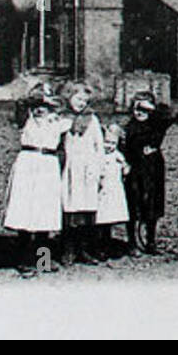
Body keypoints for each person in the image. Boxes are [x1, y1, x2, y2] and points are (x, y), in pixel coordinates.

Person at [3, 87, 70, 272]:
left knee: (45, 213)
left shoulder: (59, 123)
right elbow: (20, 104)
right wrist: (34, 97)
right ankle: (25, 260)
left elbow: (75, 114)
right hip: (28, 163)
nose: (41, 109)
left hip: (48, 165)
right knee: (25, 211)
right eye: (37, 105)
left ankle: (43, 260)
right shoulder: (26, 120)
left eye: (45, 106)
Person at [122, 92, 173, 254]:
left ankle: (151, 240)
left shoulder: (157, 123)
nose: (139, 112)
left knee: (153, 203)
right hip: (136, 168)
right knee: (134, 203)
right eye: (136, 108)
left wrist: (152, 109)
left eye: (144, 108)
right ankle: (132, 242)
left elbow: (169, 115)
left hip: (153, 167)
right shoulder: (130, 127)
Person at [60, 84, 104, 264]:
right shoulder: (62, 118)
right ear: (69, 97)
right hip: (70, 168)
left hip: (88, 167)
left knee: (87, 209)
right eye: (78, 99)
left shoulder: (92, 119)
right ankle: (67, 250)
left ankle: (84, 249)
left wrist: (98, 168)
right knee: (70, 208)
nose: (81, 103)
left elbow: (99, 145)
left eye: (85, 101)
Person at [95, 124, 131, 259]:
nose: (109, 146)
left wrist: (124, 166)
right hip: (102, 190)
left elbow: (125, 170)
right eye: (106, 142)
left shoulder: (117, 156)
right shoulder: (100, 156)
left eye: (112, 143)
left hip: (114, 190)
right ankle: (99, 246)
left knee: (110, 217)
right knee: (101, 219)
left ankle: (108, 244)